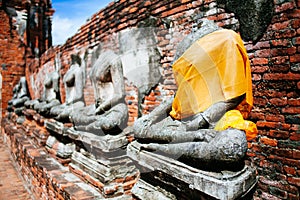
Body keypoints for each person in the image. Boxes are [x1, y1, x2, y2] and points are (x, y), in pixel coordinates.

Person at [132, 20, 257, 170]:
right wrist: (151, 118)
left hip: (217, 115)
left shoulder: (227, 40)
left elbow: (236, 91)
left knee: (232, 146)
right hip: (183, 119)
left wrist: (204, 119)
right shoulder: (189, 47)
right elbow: (179, 95)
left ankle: (161, 147)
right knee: (138, 127)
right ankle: (175, 143)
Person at [69, 50, 128, 135]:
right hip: (96, 107)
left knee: (108, 124)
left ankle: (85, 126)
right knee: (73, 115)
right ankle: (94, 121)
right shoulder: (98, 61)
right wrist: (96, 110)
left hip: (115, 107)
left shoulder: (114, 59)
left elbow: (120, 94)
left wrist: (101, 109)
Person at [50, 54, 85, 122]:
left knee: (63, 113)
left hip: (77, 103)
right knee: (53, 110)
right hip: (67, 104)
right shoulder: (69, 71)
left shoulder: (78, 71)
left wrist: (69, 102)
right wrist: (66, 103)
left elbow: (79, 94)